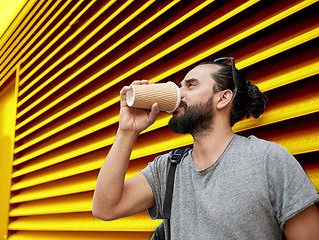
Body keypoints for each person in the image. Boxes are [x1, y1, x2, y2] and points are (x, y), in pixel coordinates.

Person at [92, 57, 319, 239]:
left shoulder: (268, 159)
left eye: (191, 85)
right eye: (180, 86)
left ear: (223, 98)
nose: (179, 93)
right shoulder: (169, 169)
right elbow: (105, 209)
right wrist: (127, 131)